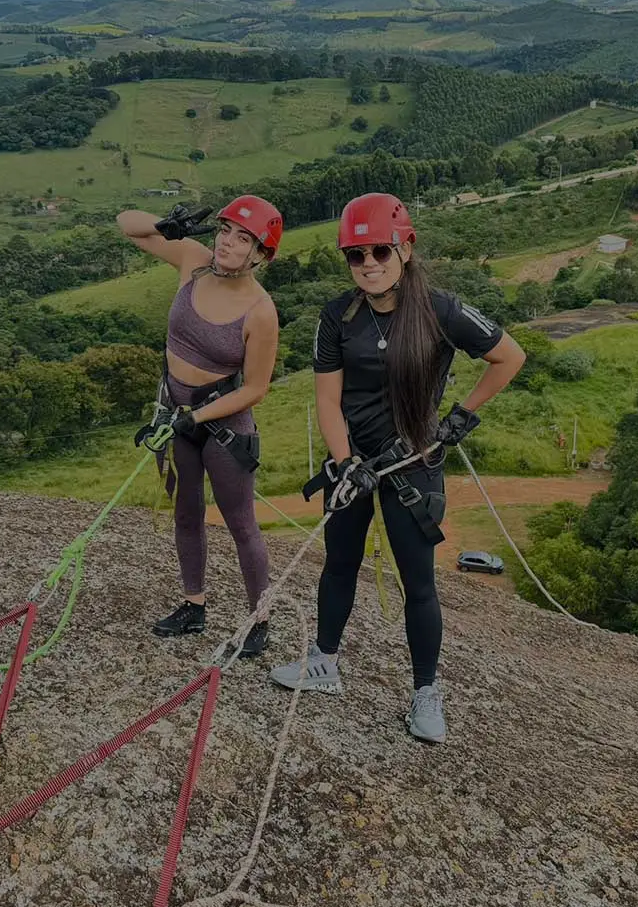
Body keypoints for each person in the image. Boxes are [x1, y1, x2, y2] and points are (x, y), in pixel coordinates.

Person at [269, 193, 526, 741]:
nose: (368, 264)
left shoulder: (441, 310)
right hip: (353, 462)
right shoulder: (336, 317)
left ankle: (426, 694)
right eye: (355, 255)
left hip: (414, 463)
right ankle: (323, 664)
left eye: (380, 250)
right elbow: (327, 402)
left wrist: (462, 415)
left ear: (405, 249)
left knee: (420, 583)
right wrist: (345, 463)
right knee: (338, 565)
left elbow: (510, 355)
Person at [117, 196, 282, 656]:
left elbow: (255, 389)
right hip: (176, 414)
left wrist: (197, 417)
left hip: (223, 428)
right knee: (186, 512)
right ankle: (193, 605)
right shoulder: (194, 261)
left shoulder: (260, 312)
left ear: (261, 255)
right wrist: (163, 223)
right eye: (225, 231)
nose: (227, 242)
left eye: (243, 238)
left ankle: (258, 621)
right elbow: (126, 224)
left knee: (241, 524)